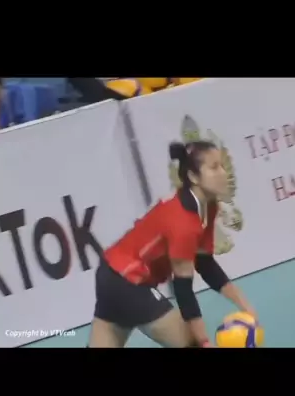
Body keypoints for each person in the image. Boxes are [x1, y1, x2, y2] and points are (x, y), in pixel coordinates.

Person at [88, 140, 258, 348]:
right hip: (128, 281)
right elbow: (183, 289)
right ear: (193, 177)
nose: (223, 173)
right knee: (190, 343)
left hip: (110, 274)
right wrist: (203, 342)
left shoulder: (208, 206)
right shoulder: (183, 222)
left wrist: (245, 306)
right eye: (214, 168)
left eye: (222, 165)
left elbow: (205, 264)